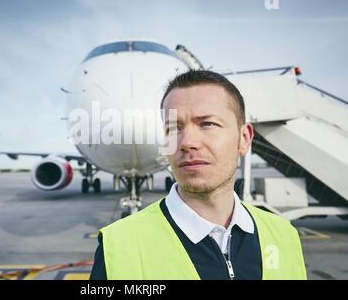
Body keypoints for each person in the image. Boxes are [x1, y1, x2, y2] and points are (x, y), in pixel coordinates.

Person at [90, 70, 307, 280]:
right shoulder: (118, 247)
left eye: (207, 124)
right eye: (174, 128)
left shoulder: (285, 236)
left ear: (244, 139)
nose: (187, 143)